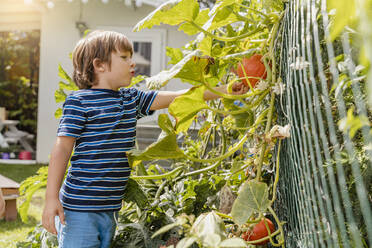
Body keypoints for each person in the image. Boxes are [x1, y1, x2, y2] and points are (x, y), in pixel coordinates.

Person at [42, 30, 248, 248]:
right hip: (79, 207)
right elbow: (62, 148)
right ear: (99, 65)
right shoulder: (79, 102)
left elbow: (179, 97)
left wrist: (223, 90)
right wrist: (51, 198)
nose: (132, 63)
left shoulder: (131, 99)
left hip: (110, 207)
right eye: (124, 57)